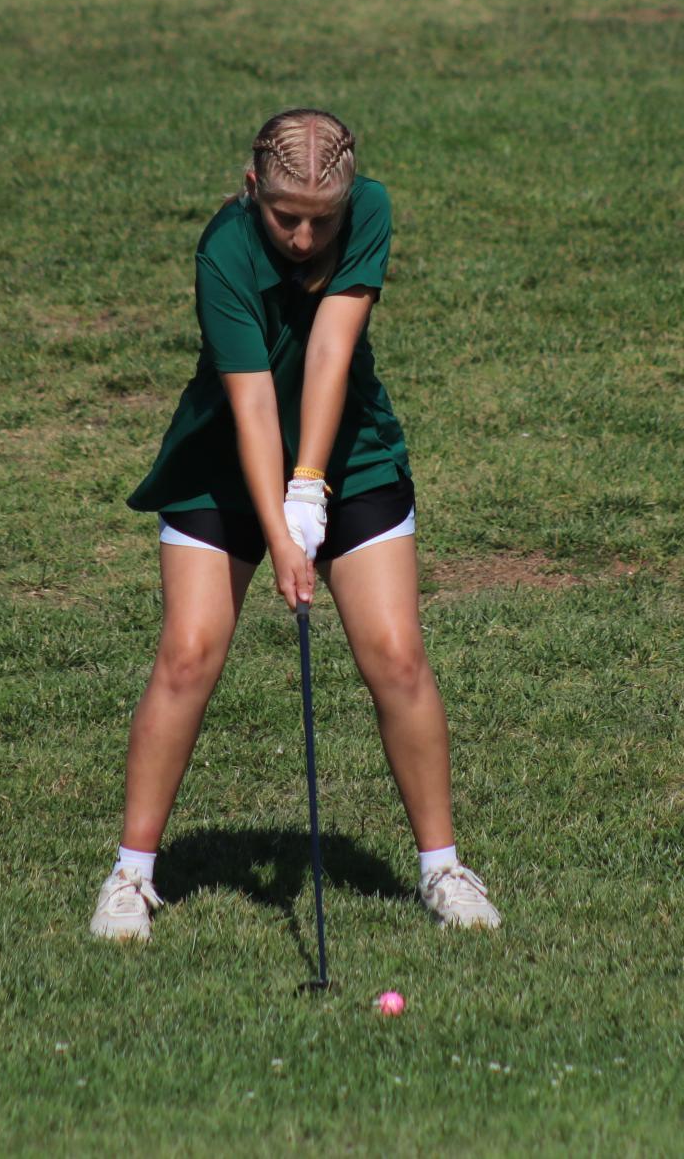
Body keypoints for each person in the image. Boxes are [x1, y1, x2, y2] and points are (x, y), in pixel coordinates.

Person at [91, 108, 502, 941]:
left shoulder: (370, 211)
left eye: (324, 220)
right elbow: (250, 405)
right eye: (287, 217)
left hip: (352, 458)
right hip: (223, 469)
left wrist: (309, 487)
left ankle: (443, 869)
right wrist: (279, 534)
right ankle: (131, 877)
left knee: (395, 653)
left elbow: (328, 353)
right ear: (252, 189)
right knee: (190, 652)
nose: (307, 238)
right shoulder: (224, 250)